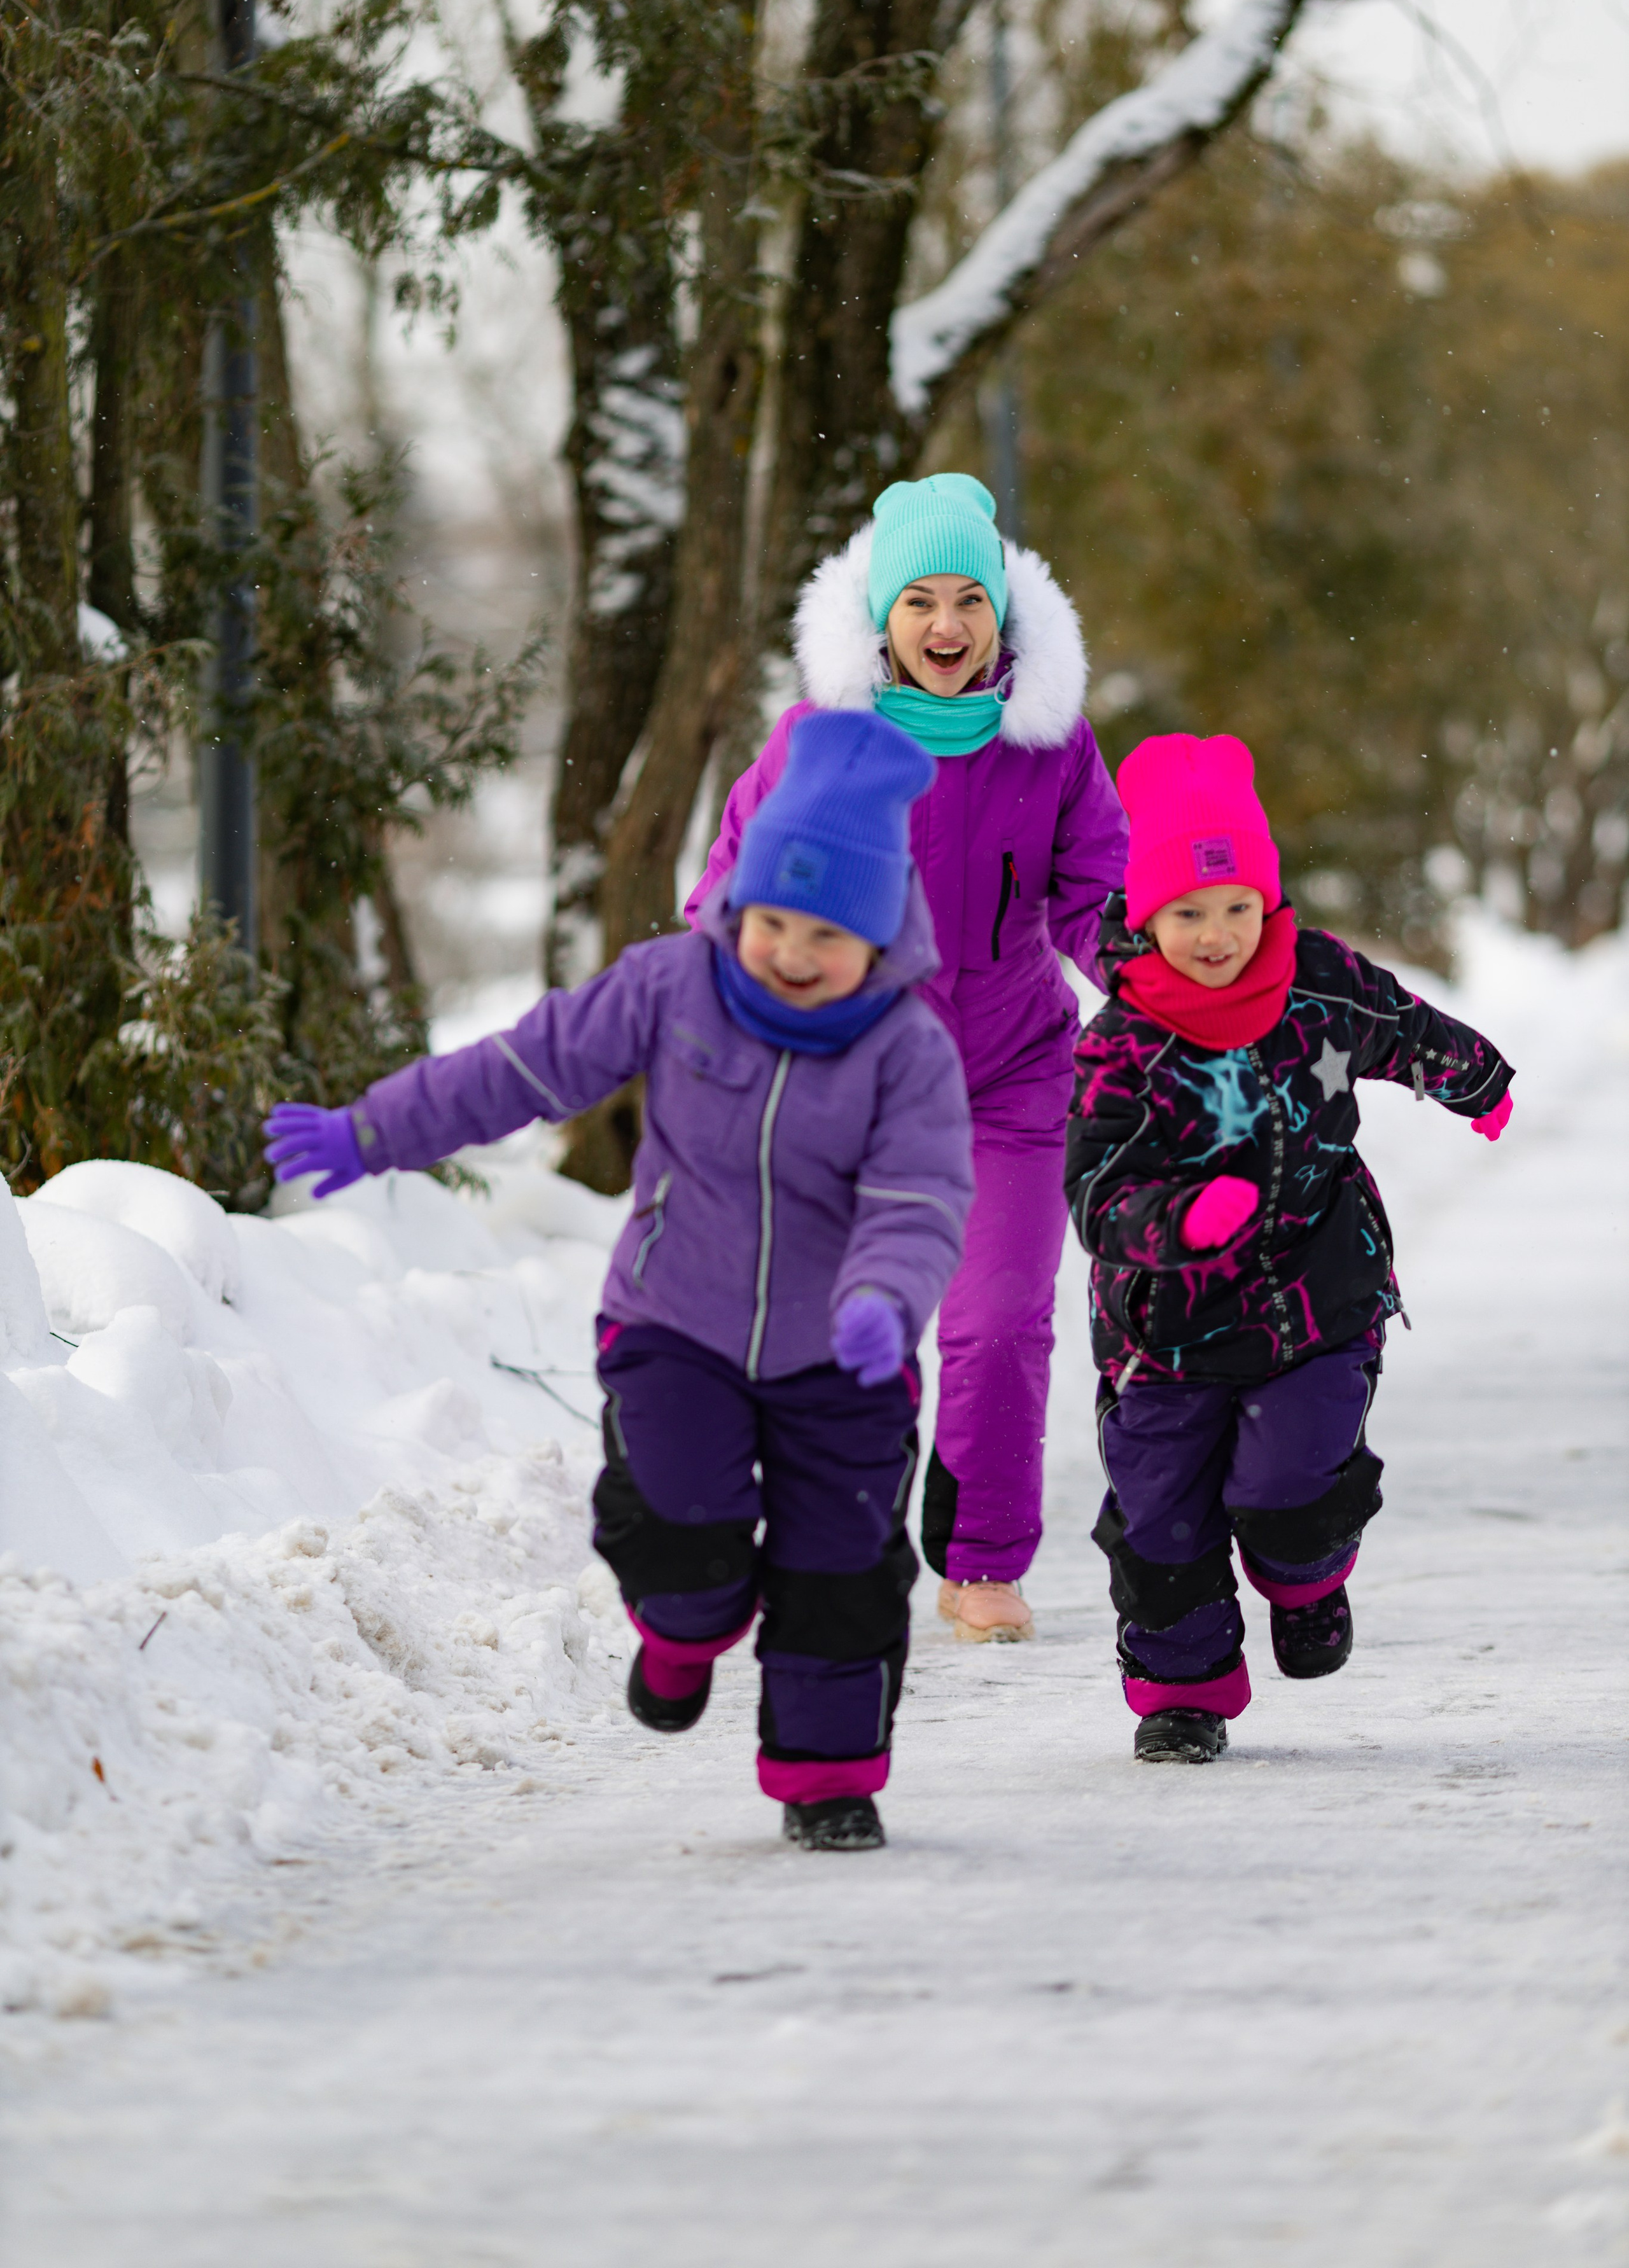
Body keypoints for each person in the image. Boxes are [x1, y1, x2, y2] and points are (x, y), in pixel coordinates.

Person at [263, 712, 974, 1851]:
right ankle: (684, 1633)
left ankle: (827, 1776)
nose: (793, 951)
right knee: (684, 1535)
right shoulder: (670, 985)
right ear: (737, 902)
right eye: (774, 920)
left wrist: (886, 1299)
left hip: (844, 1347)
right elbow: (520, 1068)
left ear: (885, 933)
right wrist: (373, 1131)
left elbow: (920, 1196)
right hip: (674, 1321)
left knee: (842, 1566)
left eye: (829, 933)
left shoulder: (906, 1051)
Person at [689, 473, 1127, 1643]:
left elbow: (1099, 898)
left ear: (1003, 618)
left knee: (996, 1322)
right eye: (921, 601)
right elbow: (733, 892)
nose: (946, 627)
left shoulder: (1054, 749)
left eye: (969, 603)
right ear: (880, 619)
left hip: (1014, 1078)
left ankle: (983, 1562)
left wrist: (1148, 978)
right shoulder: (816, 746)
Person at [1066, 733, 1514, 1764]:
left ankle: (1308, 1574)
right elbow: (1094, 1191)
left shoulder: (1316, 983)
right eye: (1188, 913)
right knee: (1159, 1524)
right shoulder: (1121, 1044)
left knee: (1289, 1490)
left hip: (1316, 1299)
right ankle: (1184, 1693)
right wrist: (1174, 1226)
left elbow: (1402, 1024)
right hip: (1163, 1335)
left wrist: (1475, 1081)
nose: (1217, 934)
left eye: (1236, 908)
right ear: (1144, 916)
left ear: (1267, 901)